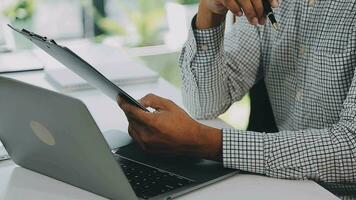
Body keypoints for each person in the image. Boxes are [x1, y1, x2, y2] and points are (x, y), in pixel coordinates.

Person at [118, 0, 356, 183]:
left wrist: (203, 142)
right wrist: (210, 12)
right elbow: (204, 103)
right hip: (284, 184)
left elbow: (351, 150)